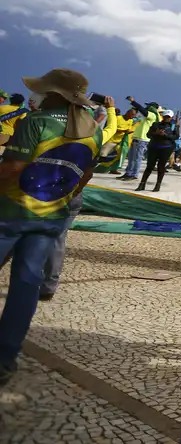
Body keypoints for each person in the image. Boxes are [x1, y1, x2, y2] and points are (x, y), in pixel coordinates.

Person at [0, 69, 108, 386]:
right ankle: (5, 359)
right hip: (51, 217)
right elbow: (85, 176)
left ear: (55, 94)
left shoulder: (36, 122)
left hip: (11, 213)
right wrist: (63, 198)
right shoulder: (95, 129)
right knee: (26, 286)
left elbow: (13, 168)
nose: (40, 96)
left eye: (45, 91)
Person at [137, 109, 179, 192]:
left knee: (161, 167)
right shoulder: (156, 124)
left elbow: (176, 137)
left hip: (166, 148)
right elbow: (148, 135)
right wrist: (156, 133)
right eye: (165, 116)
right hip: (154, 147)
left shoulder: (174, 126)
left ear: (171, 117)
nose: (166, 118)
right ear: (163, 116)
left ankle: (158, 185)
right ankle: (142, 184)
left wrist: (165, 135)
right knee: (149, 166)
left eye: (168, 117)